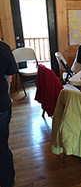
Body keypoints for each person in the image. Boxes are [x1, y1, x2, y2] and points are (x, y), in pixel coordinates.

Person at [1, 40, 16, 187]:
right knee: (1, 145)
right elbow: (11, 70)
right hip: (0, 104)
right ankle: (6, 181)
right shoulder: (2, 48)